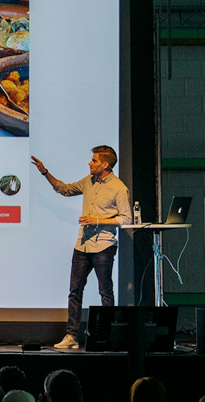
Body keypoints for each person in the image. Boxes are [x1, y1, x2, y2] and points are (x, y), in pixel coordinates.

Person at [30, 145, 133, 349]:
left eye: (94, 161)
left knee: (105, 292)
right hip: (82, 245)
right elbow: (65, 189)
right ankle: (71, 336)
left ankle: (106, 336)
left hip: (103, 245)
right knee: (75, 291)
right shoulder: (89, 181)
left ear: (105, 164)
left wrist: (97, 220)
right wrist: (44, 172)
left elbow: (126, 219)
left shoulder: (119, 188)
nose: (90, 163)